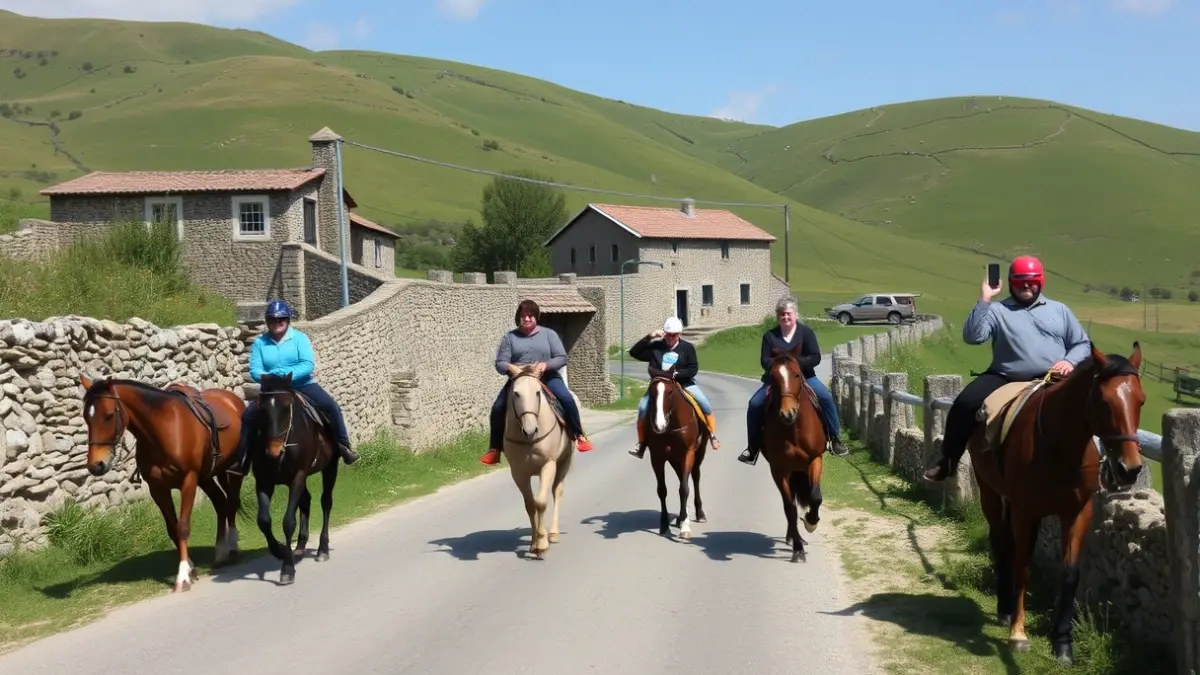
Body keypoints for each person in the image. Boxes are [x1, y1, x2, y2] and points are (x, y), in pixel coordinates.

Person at [923, 255, 1090, 482]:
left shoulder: (1060, 310)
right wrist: (985, 299)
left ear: (1041, 281)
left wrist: (1069, 362)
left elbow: (1082, 344)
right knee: (965, 402)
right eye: (1020, 281)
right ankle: (948, 460)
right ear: (1010, 282)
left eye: (1031, 280)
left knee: (1096, 405)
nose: (1026, 286)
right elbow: (972, 337)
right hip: (1005, 376)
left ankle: (1106, 466)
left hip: (1053, 377)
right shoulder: (997, 310)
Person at [227, 299, 359, 475]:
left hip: (302, 385)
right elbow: (254, 369)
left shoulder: (299, 339)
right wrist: (273, 378)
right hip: (273, 391)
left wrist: (284, 374)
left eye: (281, 319)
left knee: (332, 407)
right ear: (267, 322)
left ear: (288, 321)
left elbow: (307, 364)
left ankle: (344, 447)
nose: (277, 322)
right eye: (273, 319)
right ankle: (242, 459)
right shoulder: (260, 343)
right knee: (248, 416)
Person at [480, 299, 593, 465]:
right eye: (523, 316)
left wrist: (545, 365)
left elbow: (561, 358)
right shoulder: (509, 338)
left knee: (566, 399)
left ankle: (579, 435)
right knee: (497, 407)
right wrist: (512, 368)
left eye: (530, 316)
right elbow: (500, 363)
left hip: (547, 377)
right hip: (519, 380)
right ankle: (495, 449)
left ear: (536, 317)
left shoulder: (549, 335)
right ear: (518, 317)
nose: (526, 319)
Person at [739, 295, 848, 466]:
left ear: (795, 314)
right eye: (782, 314)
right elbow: (764, 360)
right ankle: (752, 447)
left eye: (788, 313)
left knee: (826, 398)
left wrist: (796, 364)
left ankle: (835, 438)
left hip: (806, 377)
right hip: (776, 380)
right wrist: (780, 366)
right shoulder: (770, 336)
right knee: (754, 404)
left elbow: (815, 357)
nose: (785, 317)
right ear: (778, 316)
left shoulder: (806, 333)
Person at [627, 317, 720, 458]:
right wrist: (648, 337)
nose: (671, 338)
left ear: (679, 334)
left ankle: (712, 434)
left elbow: (693, 369)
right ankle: (641, 444)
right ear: (664, 333)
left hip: (684, 383)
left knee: (705, 404)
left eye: (674, 335)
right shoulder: (656, 347)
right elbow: (634, 353)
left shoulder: (687, 348)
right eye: (668, 334)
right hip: (660, 386)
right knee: (642, 408)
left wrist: (677, 374)